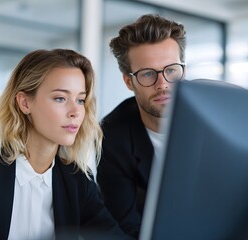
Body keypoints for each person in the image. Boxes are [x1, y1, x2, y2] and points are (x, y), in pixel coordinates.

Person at [0, 49, 133, 240]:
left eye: (80, 100)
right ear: (25, 103)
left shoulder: (77, 181)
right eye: (60, 98)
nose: (75, 111)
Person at [96, 14, 187, 238]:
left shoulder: (215, 119)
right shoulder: (111, 137)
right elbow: (127, 227)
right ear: (129, 82)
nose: (163, 83)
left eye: (171, 70)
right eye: (148, 74)